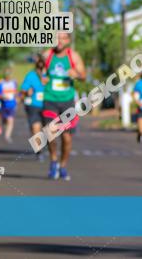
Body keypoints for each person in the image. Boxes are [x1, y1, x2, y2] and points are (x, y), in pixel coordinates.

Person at [41, 32, 86, 181]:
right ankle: (53, 160)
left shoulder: (73, 56)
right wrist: (42, 76)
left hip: (67, 101)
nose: (59, 41)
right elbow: (39, 68)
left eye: (63, 38)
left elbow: (84, 76)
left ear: (68, 40)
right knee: (50, 133)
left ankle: (63, 165)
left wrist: (77, 74)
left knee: (66, 138)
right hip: (50, 99)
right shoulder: (47, 54)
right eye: (57, 38)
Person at [20, 55, 47, 160]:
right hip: (34, 105)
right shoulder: (31, 75)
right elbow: (23, 90)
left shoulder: (50, 75)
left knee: (46, 129)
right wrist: (27, 92)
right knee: (35, 128)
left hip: (48, 105)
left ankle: (43, 145)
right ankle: (39, 151)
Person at [0, 69, 18, 143]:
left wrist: (17, 98)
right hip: (4, 105)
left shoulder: (14, 83)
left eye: (9, 75)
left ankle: (7, 136)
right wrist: (3, 97)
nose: (8, 76)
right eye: (7, 75)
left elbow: (16, 92)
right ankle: (3, 127)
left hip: (12, 105)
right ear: (5, 76)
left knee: (10, 120)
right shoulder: (1, 84)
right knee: (5, 120)